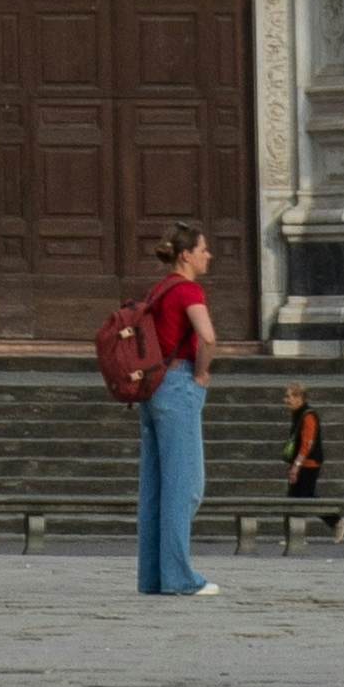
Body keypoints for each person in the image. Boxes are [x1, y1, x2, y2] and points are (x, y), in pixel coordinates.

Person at [136, 225, 218, 601]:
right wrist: (201, 373)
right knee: (186, 486)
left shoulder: (159, 289)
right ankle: (180, 576)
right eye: (203, 250)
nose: (208, 255)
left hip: (152, 388)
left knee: (156, 486)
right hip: (179, 384)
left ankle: (154, 575)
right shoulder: (187, 289)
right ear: (186, 255)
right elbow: (208, 335)